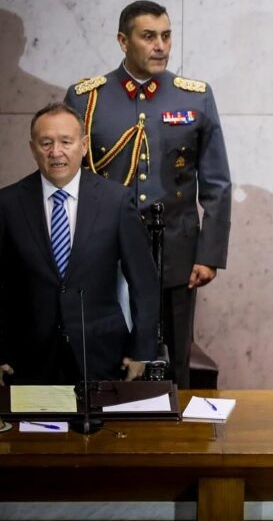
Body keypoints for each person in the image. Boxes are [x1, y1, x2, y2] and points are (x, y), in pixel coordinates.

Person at [64, 0, 231, 388]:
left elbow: (217, 183)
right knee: (102, 356)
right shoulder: (87, 98)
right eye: (149, 36)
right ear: (124, 41)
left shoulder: (195, 97)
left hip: (174, 253)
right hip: (104, 253)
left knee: (174, 361)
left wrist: (208, 255)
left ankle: (177, 443)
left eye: (166, 36)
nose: (161, 46)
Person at [0, 103, 159, 385]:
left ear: (84, 146)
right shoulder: (8, 204)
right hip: (28, 360)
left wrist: (141, 350)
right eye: (46, 143)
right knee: (32, 430)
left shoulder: (116, 202)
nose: (56, 152)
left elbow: (144, 283)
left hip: (103, 356)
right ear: (32, 148)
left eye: (66, 142)